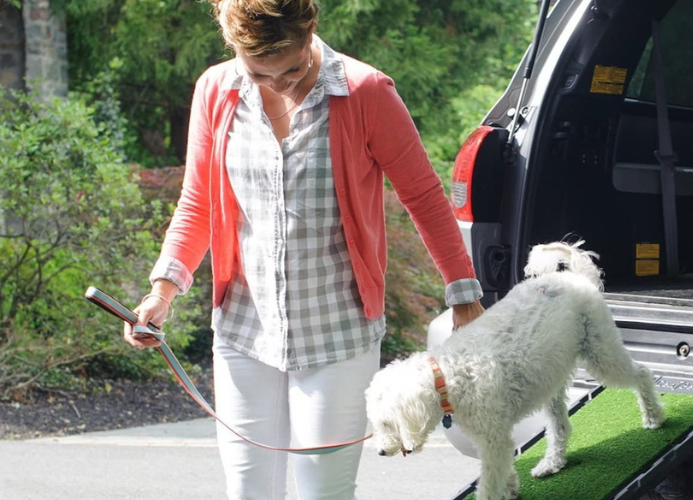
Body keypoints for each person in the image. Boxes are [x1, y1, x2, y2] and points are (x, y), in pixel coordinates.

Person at [122, 0, 485, 498]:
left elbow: (422, 195)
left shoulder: (365, 92)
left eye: (291, 70)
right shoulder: (216, 90)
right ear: (233, 47)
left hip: (337, 333)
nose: (279, 85)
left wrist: (464, 296)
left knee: (323, 493)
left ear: (310, 31)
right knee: (248, 491)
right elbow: (198, 201)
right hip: (244, 330)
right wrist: (162, 292)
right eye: (259, 73)